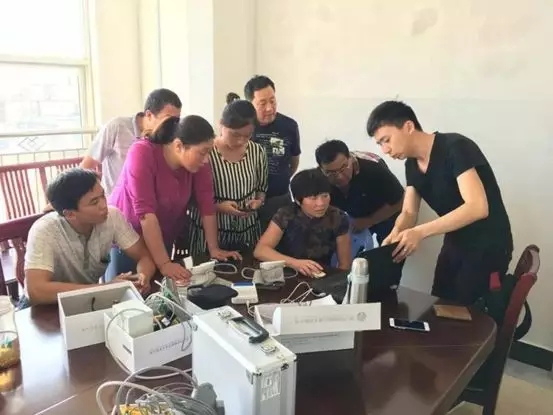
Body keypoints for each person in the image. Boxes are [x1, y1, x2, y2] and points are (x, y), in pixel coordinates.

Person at [366, 101, 513, 304]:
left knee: (465, 311)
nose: (385, 150)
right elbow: (409, 212)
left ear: (408, 126)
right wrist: (396, 233)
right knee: (438, 304)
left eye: (386, 140)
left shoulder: (456, 147)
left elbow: (477, 207)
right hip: (456, 242)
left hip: (488, 244)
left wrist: (420, 232)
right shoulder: (411, 165)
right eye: (380, 144)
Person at [107, 115, 241, 282]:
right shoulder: (142, 152)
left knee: (159, 288)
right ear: (178, 146)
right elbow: (145, 214)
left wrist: (214, 249)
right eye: (202, 152)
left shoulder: (198, 163)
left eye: (209, 152)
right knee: (127, 289)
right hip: (128, 240)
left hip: (162, 237)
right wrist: (164, 263)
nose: (206, 159)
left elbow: (206, 204)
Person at [23, 168, 156, 307]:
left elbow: (144, 256)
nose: (104, 205)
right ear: (70, 214)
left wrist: (143, 277)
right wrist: (105, 288)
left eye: (103, 195)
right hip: (43, 308)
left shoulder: (112, 217)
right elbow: (36, 291)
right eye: (94, 202)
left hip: (87, 301)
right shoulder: (45, 230)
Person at [189, 96, 268, 255]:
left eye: (247, 135)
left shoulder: (257, 151)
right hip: (209, 233)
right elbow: (190, 198)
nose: (241, 141)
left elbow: (261, 188)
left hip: (246, 231)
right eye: (235, 135)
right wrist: (218, 207)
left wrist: (258, 202)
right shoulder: (206, 153)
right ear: (221, 125)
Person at [80, 88, 182, 196]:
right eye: (168, 120)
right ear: (149, 115)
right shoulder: (117, 127)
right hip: (116, 201)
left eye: (177, 120)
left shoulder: (168, 137)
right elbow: (86, 166)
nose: (173, 126)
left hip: (149, 198)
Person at [254, 168, 352, 277]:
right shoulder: (286, 214)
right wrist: (294, 263)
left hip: (320, 275)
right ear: (297, 200)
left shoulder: (338, 218)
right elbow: (260, 250)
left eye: (325, 196)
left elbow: (344, 265)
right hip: (287, 273)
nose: (321, 203)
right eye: (313, 198)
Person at [315, 139, 404, 246]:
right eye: (331, 173)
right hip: (352, 216)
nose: (339, 177)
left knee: (391, 247)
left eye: (343, 168)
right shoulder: (317, 180)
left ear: (350, 159)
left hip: (383, 210)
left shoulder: (374, 169)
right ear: (322, 170)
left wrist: (369, 220)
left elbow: (401, 200)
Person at [242, 75, 301, 229]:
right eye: (262, 103)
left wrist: (280, 178)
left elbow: (294, 161)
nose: (269, 108)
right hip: (248, 201)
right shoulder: (242, 128)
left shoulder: (289, 126)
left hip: (280, 199)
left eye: (272, 101)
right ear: (250, 104)